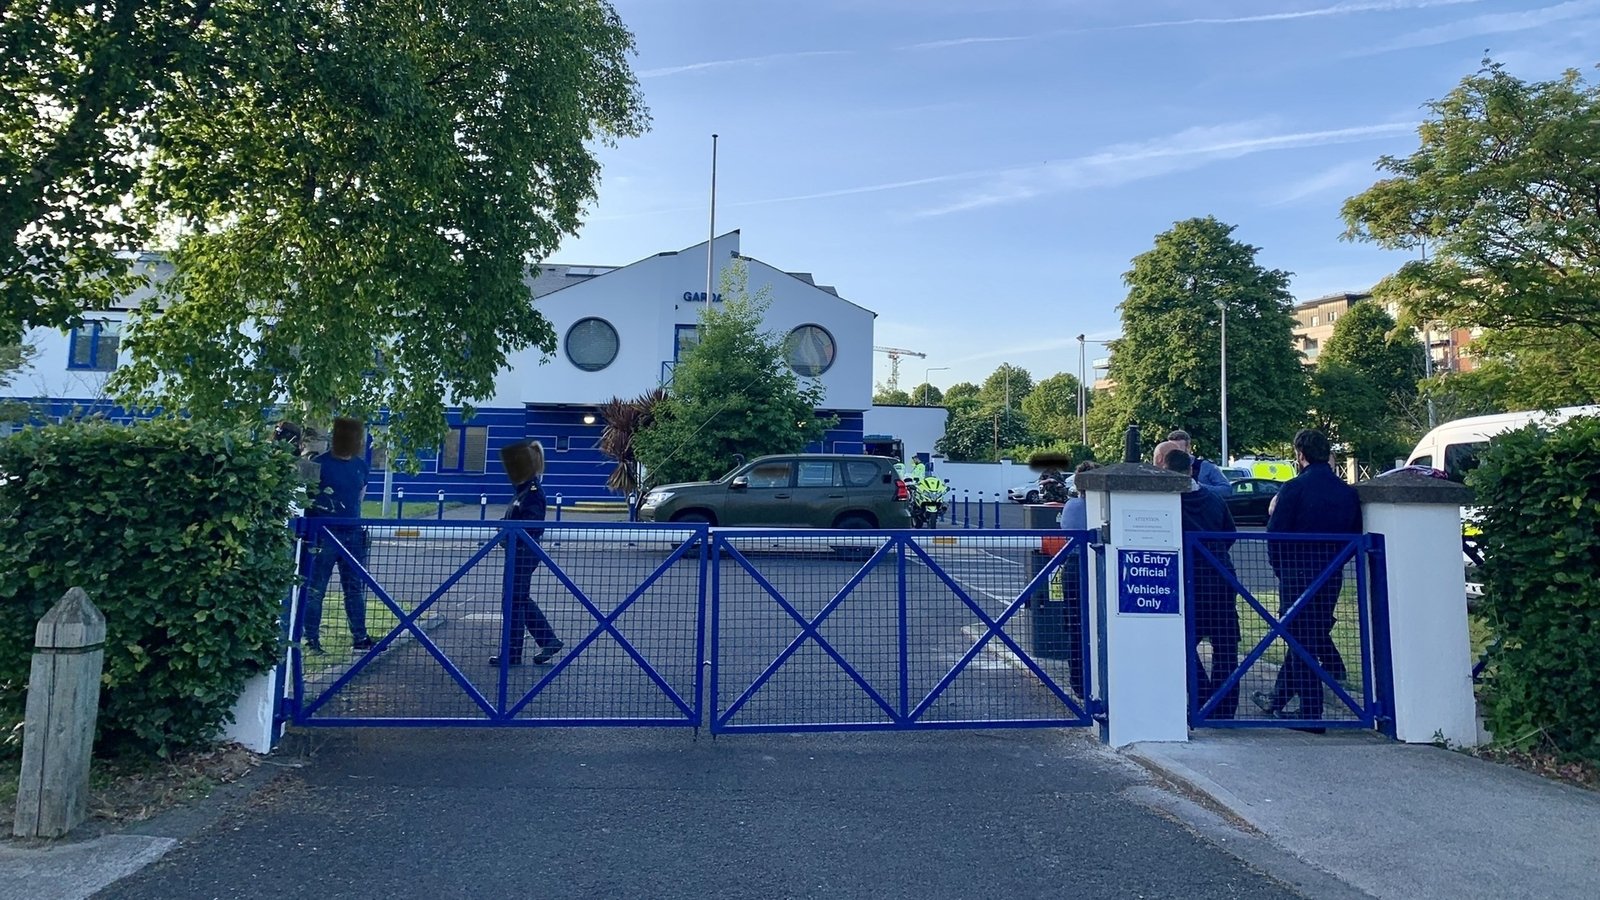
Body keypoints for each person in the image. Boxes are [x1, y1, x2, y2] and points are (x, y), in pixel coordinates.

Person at [1255, 428, 1363, 727]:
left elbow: (1275, 537)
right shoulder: (1348, 493)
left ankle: (1311, 713)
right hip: (1330, 575)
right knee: (1309, 637)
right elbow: (1353, 537)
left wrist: (1283, 571)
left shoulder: (1293, 489)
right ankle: (1278, 699)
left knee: (1300, 640)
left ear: (1300, 455)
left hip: (1296, 574)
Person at [1160, 448, 1242, 720]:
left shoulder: (1165, 503)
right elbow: (1229, 534)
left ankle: (1202, 696)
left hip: (1187, 582)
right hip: (1221, 578)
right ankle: (1224, 708)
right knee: (1226, 645)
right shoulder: (1214, 499)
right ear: (1191, 471)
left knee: (1178, 644)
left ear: (1163, 469)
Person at [301, 417, 373, 653]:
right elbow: (304, 500)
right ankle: (310, 639)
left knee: (354, 589)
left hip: (353, 535)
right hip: (323, 536)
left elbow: (359, 496)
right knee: (316, 588)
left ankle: (360, 638)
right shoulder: (317, 465)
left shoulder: (361, 466)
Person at [490, 439, 564, 667]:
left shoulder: (532, 492)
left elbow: (533, 524)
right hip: (517, 552)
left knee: (513, 600)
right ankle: (546, 641)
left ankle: (514, 653)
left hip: (523, 552)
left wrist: (509, 529)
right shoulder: (522, 492)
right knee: (516, 599)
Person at [1167, 430, 1231, 499]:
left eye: (1177, 449)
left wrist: (1198, 487)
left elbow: (1226, 490)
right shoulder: (1164, 467)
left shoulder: (1206, 467)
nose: (1174, 454)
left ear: (1188, 448)